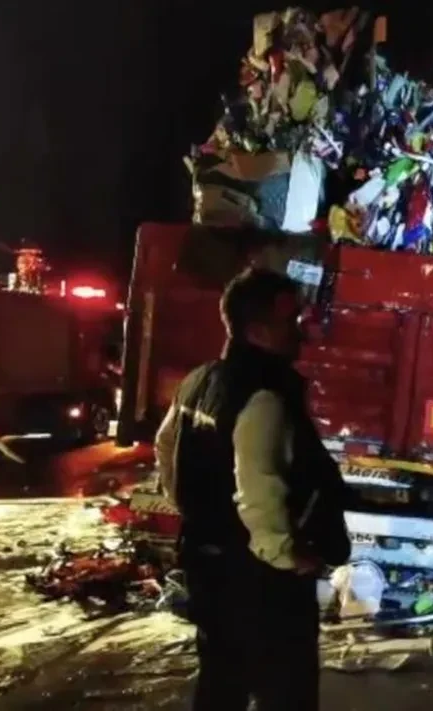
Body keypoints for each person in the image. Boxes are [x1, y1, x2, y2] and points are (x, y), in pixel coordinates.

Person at [154, 267, 349, 711]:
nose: (302, 332)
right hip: (259, 581)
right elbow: (257, 485)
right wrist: (285, 553)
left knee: (220, 683)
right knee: (285, 693)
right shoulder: (264, 395)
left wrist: (188, 506)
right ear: (258, 329)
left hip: (208, 564)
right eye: (292, 321)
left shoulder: (199, 380)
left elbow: (166, 446)